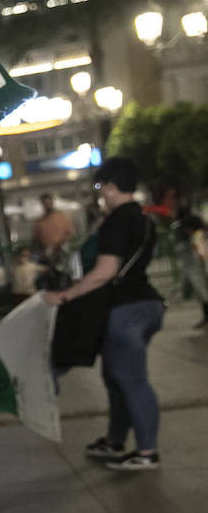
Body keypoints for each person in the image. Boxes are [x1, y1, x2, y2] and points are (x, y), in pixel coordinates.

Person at [44, 158, 166, 470]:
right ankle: (115, 441)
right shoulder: (143, 218)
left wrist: (65, 295)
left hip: (126, 311)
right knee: (116, 378)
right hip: (147, 305)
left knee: (131, 379)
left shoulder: (116, 220)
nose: (99, 194)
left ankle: (147, 452)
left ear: (111, 187)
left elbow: (106, 270)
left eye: (101, 187)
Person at [30, 193, 75, 266]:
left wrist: (60, 244)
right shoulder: (39, 222)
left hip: (62, 249)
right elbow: (35, 239)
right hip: (47, 252)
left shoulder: (62, 217)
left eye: (49, 203)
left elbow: (69, 233)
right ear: (42, 205)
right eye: (45, 204)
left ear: (52, 202)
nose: (47, 205)